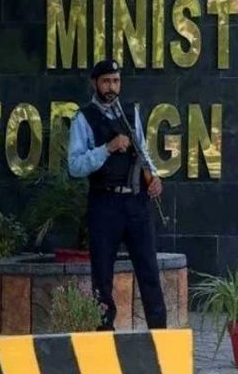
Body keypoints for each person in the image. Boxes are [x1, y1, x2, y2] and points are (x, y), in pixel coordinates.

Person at [67, 59, 166, 330]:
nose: (112, 87)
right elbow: (74, 166)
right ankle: (104, 338)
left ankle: (160, 337)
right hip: (105, 204)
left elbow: (143, 151)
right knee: (102, 276)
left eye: (116, 81)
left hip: (136, 202)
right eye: (106, 81)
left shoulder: (130, 113)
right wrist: (107, 149)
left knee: (149, 271)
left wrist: (154, 177)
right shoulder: (83, 118)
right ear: (95, 83)